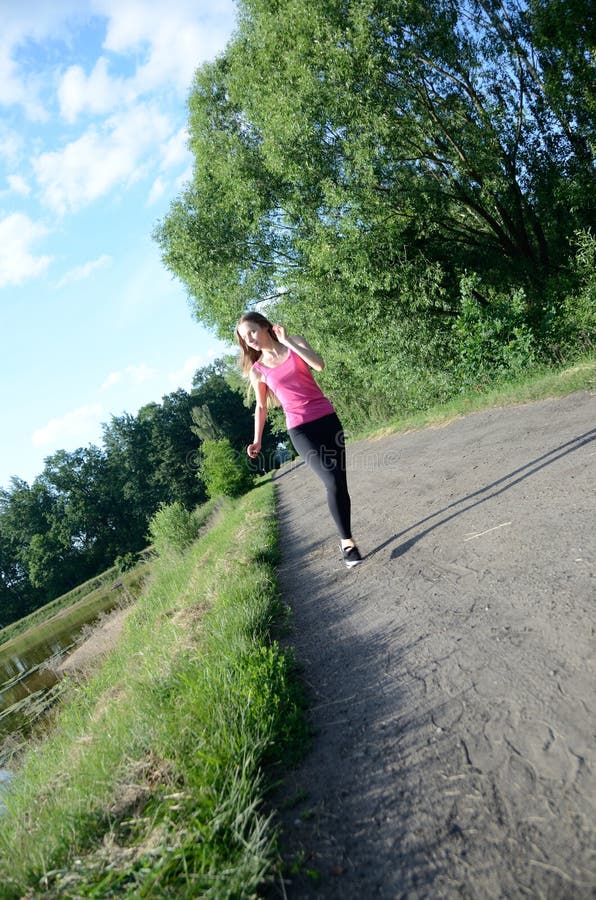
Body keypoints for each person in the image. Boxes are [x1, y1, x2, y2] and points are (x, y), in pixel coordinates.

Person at [236, 311, 362, 568]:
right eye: (244, 338)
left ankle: (346, 540)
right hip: (300, 429)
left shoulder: (296, 342)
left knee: (339, 481)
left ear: (264, 326)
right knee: (331, 478)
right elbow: (261, 407)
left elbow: (319, 365)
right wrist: (257, 439)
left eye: (251, 332)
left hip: (327, 420)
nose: (250, 340)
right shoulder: (258, 370)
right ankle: (347, 543)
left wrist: (289, 343)